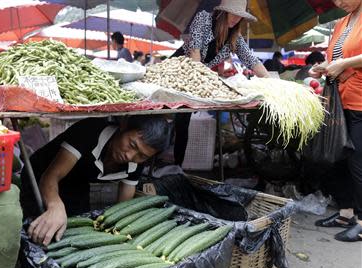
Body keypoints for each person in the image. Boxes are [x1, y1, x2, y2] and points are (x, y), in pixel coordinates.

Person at [21, 116, 172, 245]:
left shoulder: (137, 161)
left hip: (78, 181)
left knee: (74, 230)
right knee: (39, 230)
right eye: (132, 145)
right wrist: (55, 206)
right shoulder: (89, 131)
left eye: (142, 155)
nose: (130, 156)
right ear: (124, 126)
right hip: (40, 177)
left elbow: (123, 204)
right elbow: (51, 177)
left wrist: (119, 229)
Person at [172, 0, 269, 165]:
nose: (236, 19)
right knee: (169, 119)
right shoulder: (204, 19)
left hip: (198, 79)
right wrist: (201, 81)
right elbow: (195, 52)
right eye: (233, 14)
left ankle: (177, 167)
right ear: (223, 12)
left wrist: (271, 81)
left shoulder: (234, 37)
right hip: (178, 71)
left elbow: (252, 61)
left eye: (240, 16)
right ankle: (160, 163)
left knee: (183, 121)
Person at [312, 0, 362, 242]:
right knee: (337, 159)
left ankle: (361, 222)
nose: (339, 2)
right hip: (340, 100)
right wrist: (323, 67)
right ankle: (345, 213)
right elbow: (337, 58)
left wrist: (345, 63)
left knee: (358, 162)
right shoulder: (342, 22)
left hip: (361, 101)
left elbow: (347, 60)